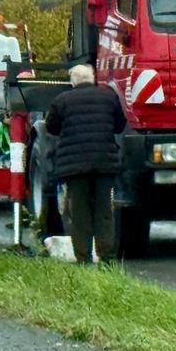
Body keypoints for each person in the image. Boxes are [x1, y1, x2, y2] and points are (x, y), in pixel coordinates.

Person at [45, 64, 127, 264]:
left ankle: (83, 258)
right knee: (104, 211)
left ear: (73, 81)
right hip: (104, 163)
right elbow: (119, 125)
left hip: (74, 166)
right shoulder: (109, 97)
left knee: (80, 212)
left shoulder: (62, 100)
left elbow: (51, 127)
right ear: (92, 78)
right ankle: (106, 257)